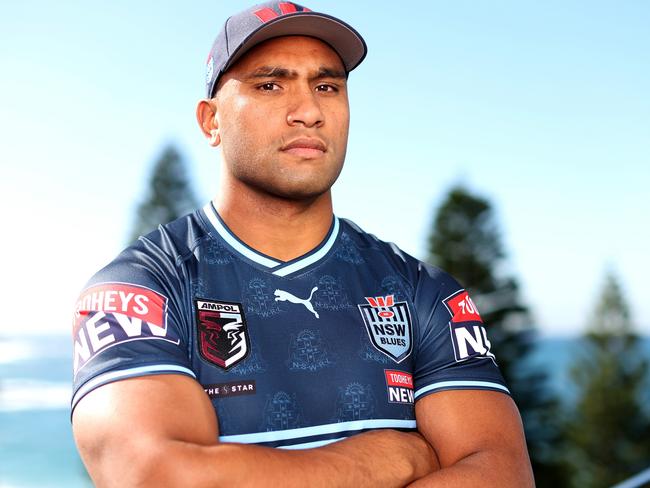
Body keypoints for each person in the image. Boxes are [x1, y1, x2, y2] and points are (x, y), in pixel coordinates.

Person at [71, 2, 534, 486]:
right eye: (270, 85)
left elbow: (502, 474)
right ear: (211, 121)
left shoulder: (422, 291)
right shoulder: (142, 288)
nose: (309, 112)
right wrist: (385, 458)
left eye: (327, 86)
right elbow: (157, 475)